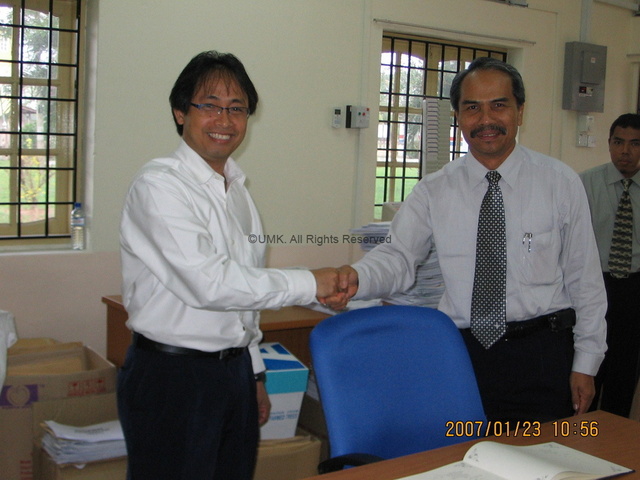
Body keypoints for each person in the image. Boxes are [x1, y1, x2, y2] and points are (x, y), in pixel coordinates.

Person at [329, 57, 607, 424]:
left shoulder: (559, 183)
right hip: (460, 353)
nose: (486, 119)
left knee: (540, 454)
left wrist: (587, 362)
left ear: (520, 111)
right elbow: (397, 257)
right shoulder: (434, 190)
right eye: (472, 107)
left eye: (499, 105)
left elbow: (585, 280)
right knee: (460, 451)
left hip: (541, 354)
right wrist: (356, 277)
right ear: (458, 116)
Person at [118, 51, 343, 480]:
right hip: (173, 377)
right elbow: (211, 283)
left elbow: (243, 295)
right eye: (210, 105)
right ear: (180, 112)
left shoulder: (236, 189)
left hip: (233, 372)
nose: (225, 119)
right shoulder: (159, 185)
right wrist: (310, 283)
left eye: (237, 108)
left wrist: (254, 373)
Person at [580, 113, 640, 418]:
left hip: (635, 287)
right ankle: (580, 431)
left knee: (625, 369)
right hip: (595, 284)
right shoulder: (585, 183)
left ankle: (616, 430)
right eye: (618, 142)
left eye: (634, 144)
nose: (625, 151)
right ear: (609, 143)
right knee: (588, 366)